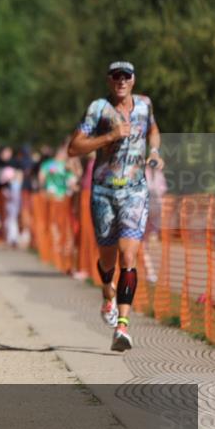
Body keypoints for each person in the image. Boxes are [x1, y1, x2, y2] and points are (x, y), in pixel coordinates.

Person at [67, 61, 163, 352]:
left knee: (128, 255)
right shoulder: (97, 109)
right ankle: (107, 291)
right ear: (109, 81)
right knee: (107, 260)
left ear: (133, 80)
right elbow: (74, 147)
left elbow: (153, 131)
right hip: (104, 192)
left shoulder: (145, 104)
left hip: (135, 191)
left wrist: (155, 152)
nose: (121, 81)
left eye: (126, 76)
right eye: (116, 76)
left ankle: (122, 326)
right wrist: (109, 136)